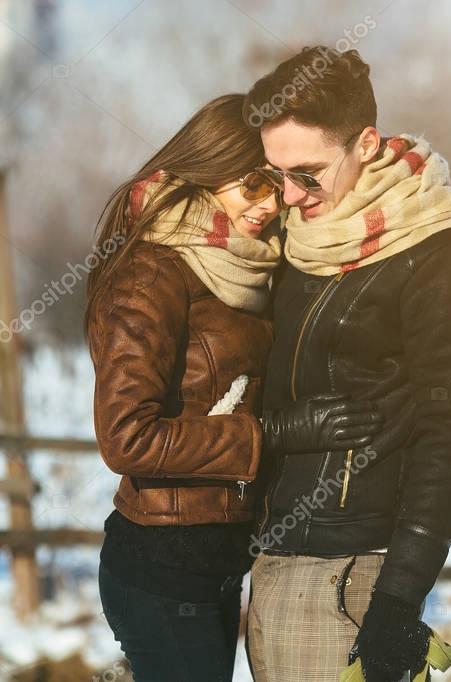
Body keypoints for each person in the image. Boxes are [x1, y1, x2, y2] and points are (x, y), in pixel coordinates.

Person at [84, 93, 383, 682]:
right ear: (206, 172)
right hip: (159, 572)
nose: (270, 205)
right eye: (252, 185)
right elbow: (126, 438)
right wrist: (270, 435)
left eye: (277, 185)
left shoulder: (245, 265)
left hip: (214, 565)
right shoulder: (152, 272)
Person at [242, 47, 451, 682]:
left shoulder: (444, 261)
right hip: (269, 568)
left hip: (352, 575)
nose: (290, 195)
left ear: (364, 143)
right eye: (275, 173)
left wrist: (396, 600)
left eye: (308, 173)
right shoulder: (292, 245)